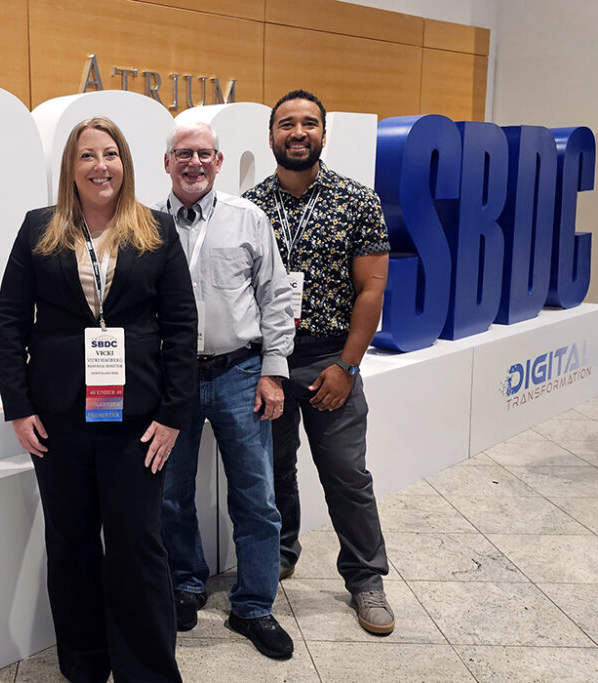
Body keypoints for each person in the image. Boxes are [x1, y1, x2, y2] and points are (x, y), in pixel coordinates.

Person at [0, 116, 196, 682]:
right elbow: (10, 319)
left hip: (136, 420)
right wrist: (19, 405)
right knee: (71, 543)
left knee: (137, 546)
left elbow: (182, 326)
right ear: (71, 168)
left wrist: (173, 414)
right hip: (58, 418)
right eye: (87, 156)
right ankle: (84, 665)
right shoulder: (40, 228)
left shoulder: (154, 228)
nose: (100, 165)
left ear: (125, 163)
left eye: (110, 154)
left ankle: (148, 671)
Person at [242, 89, 395, 635]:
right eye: (287, 124)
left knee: (347, 475)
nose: (298, 132)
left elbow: (372, 289)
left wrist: (348, 365)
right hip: (269, 361)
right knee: (273, 470)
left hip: (332, 356)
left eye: (309, 123)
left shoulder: (356, 200)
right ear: (272, 136)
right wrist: (265, 365)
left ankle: (366, 579)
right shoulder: (250, 204)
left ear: (324, 135)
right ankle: (281, 552)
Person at [157, 122, 296, 659]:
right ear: (166, 162)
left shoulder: (248, 218)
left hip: (241, 372)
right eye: (183, 154)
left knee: (256, 495)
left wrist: (273, 370)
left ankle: (255, 606)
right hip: (173, 379)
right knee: (170, 492)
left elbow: (277, 297)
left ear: (218, 162)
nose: (194, 162)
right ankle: (187, 585)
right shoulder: (145, 226)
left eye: (204, 154)